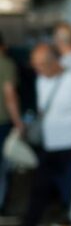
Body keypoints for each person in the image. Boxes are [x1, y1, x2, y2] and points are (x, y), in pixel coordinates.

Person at [19, 44, 71, 226]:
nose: (38, 69)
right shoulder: (41, 80)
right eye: (35, 65)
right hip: (49, 147)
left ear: (55, 62)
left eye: (42, 65)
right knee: (39, 190)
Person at [0, 33, 25, 210]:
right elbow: (10, 95)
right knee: (3, 167)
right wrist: (18, 123)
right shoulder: (6, 64)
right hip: (2, 122)